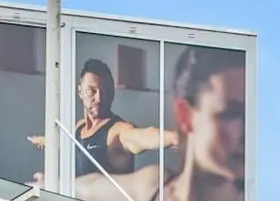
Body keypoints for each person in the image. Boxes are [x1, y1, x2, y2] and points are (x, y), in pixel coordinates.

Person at [33, 58, 177, 182]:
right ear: (80, 92)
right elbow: (70, 146)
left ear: (112, 93)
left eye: (106, 91)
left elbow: (145, 135)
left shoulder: (118, 132)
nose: (99, 98)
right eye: (92, 91)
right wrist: (43, 141)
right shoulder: (78, 127)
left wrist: (176, 138)